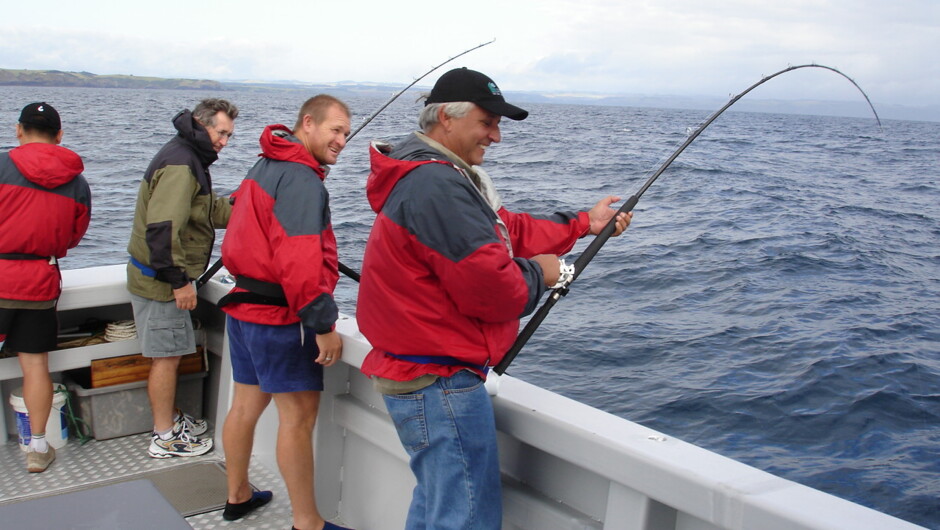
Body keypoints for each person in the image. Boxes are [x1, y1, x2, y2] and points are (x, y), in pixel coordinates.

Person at [356, 67, 632, 528]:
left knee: (437, 505)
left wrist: (585, 223)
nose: (497, 136)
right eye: (488, 122)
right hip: (439, 382)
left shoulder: (437, 176)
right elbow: (495, 291)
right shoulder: (437, 185)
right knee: (465, 518)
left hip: (419, 374)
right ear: (446, 117)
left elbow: (507, 231)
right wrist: (541, 272)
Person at [217, 94, 354, 530]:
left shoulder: (265, 163)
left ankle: (237, 495)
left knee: (243, 407)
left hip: (243, 312)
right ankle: (307, 523)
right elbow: (299, 261)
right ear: (308, 123)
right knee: (297, 420)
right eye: (335, 130)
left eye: (347, 134)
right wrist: (323, 324)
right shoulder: (301, 179)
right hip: (280, 319)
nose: (342, 141)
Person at [126, 98, 237, 458]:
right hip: (161, 283)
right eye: (221, 133)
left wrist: (249, 204)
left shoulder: (189, 157)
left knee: (168, 354)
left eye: (229, 136)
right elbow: (162, 230)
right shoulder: (182, 164)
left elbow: (206, 212)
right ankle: (164, 436)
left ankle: (170, 420)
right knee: (166, 358)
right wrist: (179, 282)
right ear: (202, 125)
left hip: (159, 278)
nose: (224, 141)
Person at [0, 102, 91, 473]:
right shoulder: (78, 181)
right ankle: (38, 449)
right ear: (59, 136)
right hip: (38, 281)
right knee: (35, 366)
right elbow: (73, 236)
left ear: (19, 130)